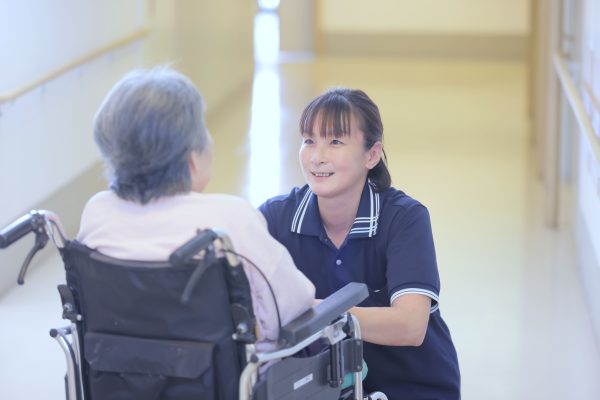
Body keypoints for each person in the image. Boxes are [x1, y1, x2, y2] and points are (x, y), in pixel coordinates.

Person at [77, 67, 315, 353]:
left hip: (123, 380)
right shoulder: (229, 221)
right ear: (191, 159)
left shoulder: (98, 212)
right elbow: (292, 308)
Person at [259, 88, 461, 399]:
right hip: (318, 389)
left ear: (372, 154)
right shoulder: (275, 217)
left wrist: (313, 312)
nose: (316, 156)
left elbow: (410, 325)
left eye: (335, 142)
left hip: (408, 387)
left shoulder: (404, 219)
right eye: (309, 140)